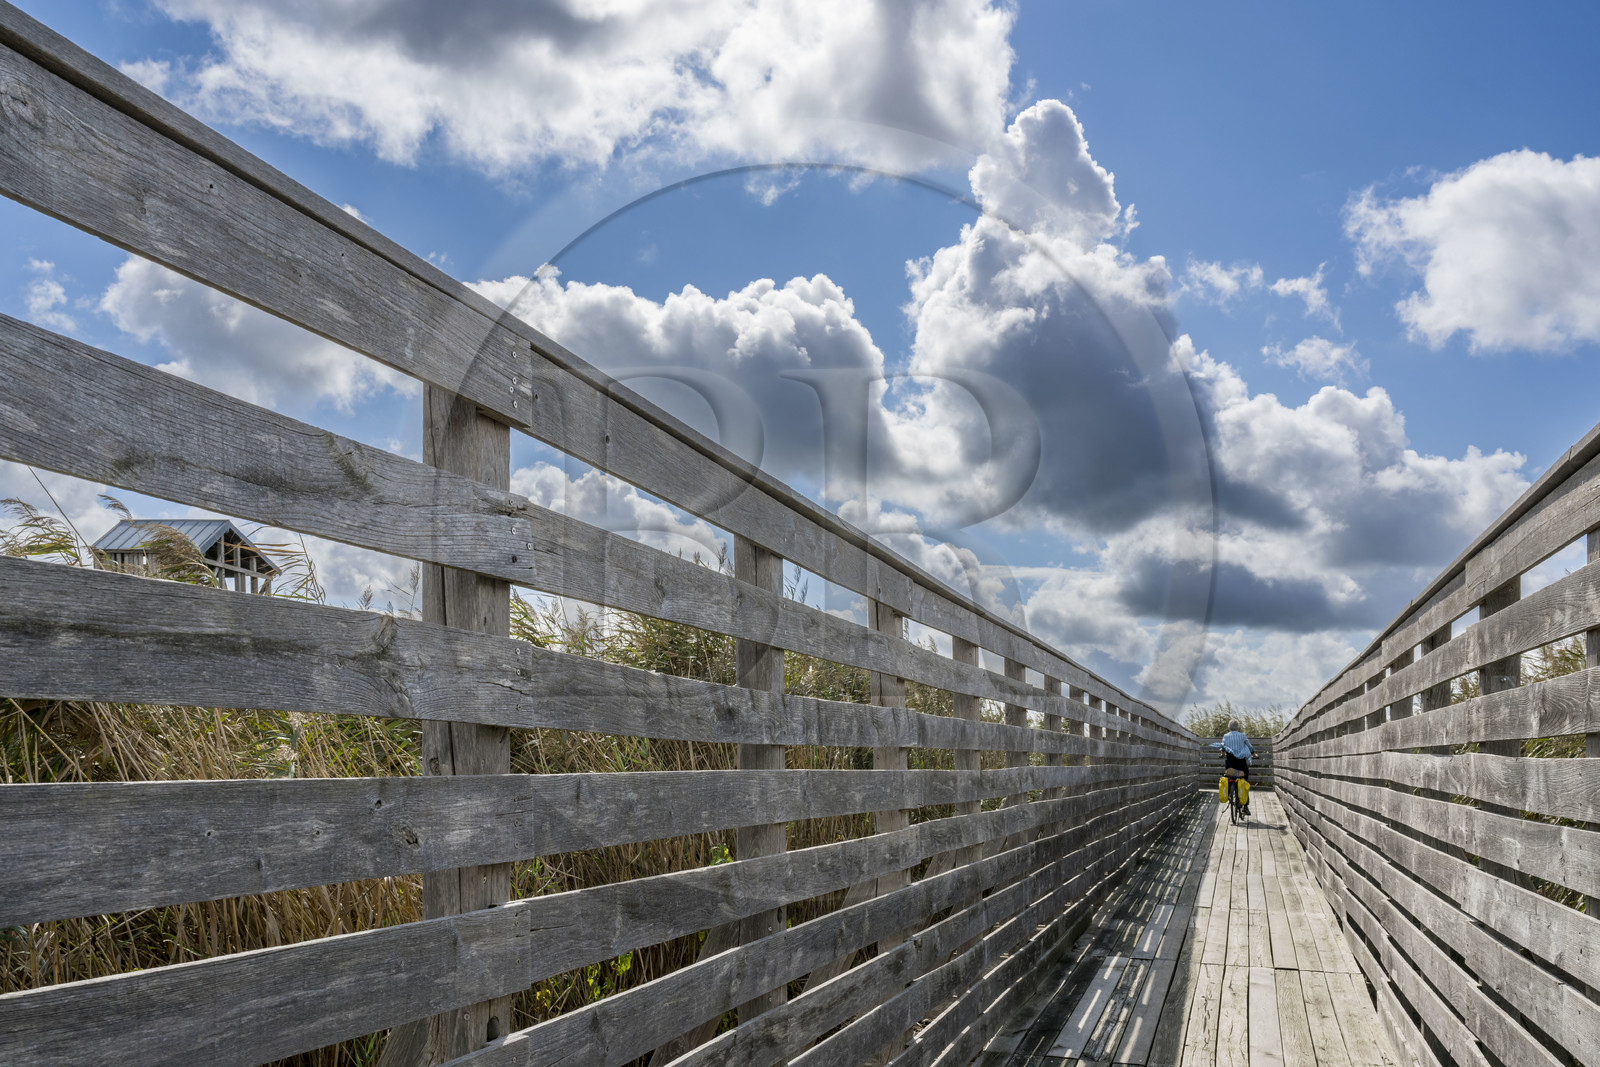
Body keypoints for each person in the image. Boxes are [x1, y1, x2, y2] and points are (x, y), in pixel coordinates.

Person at [1221, 719, 1254, 815]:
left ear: (1228, 728)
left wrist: (1223, 754)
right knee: (1245, 782)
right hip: (1241, 764)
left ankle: (1229, 794)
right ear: (1238, 728)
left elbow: (1223, 747)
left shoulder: (1225, 736)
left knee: (1228, 777)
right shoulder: (1242, 736)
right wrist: (1253, 754)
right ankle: (1245, 807)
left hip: (1230, 764)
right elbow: (1249, 747)